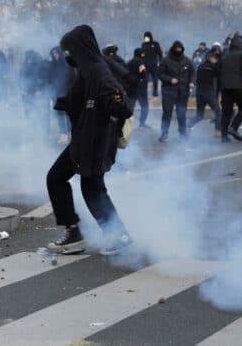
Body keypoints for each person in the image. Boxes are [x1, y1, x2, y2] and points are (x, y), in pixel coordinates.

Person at [46, 25, 133, 256]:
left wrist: (117, 103)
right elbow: (80, 101)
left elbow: (122, 106)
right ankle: (115, 235)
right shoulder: (88, 70)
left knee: (64, 180)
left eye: (69, 51)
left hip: (94, 140)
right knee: (90, 186)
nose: (67, 57)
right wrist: (64, 104)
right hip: (88, 139)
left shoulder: (98, 71)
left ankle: (82, 235)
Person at [219, 35, 242, 142]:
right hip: (239, 87)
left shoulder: (224, 56)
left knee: (226, 112)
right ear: (241, 46)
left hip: (225, 88)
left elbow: (218, 71)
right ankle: (233, 127)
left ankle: (224, 136)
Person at [157, 41, 194, 142]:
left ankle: (182, 133)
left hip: (183, 92)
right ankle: (164, 133)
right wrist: (170, 79)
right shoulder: (165, 61)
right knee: (167, 113)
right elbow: (160, 74)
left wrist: (191, 81)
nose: (178, 51)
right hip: (168, 91)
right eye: (177, 49)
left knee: (181, 113)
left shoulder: (187, 61)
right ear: (173, 49)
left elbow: (192, 72)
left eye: (180, 49)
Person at [140, 32, 163, 97]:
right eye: (145, 37)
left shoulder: (155, 44)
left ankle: (155, 93)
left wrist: (160, 63)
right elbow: (141, 55)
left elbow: (160, 54)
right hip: (146, 66)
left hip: (154, 65)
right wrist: (141, 63)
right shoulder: (143, 44)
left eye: (147, 37)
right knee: (145, 80)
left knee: (155, 79)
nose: (146, 38)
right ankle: (145, 94)